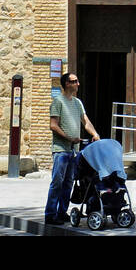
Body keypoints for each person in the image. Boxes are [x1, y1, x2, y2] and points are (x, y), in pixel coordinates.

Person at [45, 72, 99, 225]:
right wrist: (69, 138)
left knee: (69, 182)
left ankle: (62, 213)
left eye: (77, 81)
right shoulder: (58, 102)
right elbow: (53, 125)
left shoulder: (77, 103)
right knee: (57, 182)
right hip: (61, 149)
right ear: (67, 84)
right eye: (75, 81)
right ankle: (50, 214)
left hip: (73, 150)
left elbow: (85, 121)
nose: (78, 84)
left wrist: (95, 134)